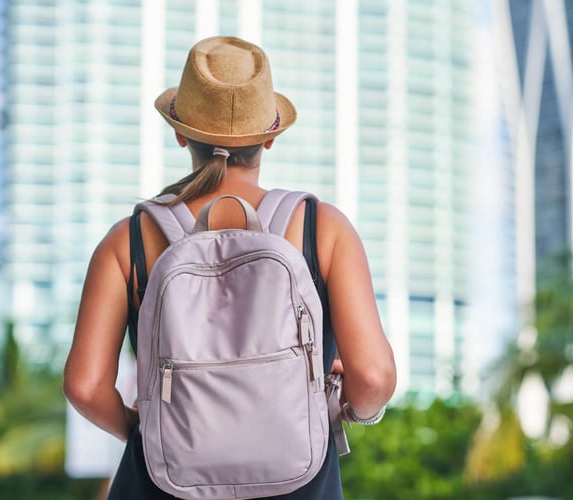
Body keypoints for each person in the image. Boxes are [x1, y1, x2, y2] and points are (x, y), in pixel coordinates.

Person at [63, 36, 397, 498]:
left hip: (160, 484)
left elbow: (84, 386)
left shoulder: (129, 239)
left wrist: (154, 434)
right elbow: (374, 379)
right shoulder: (323, 228)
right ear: (270, 136)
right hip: (298, 483)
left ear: (181, 133)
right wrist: (348, 409)